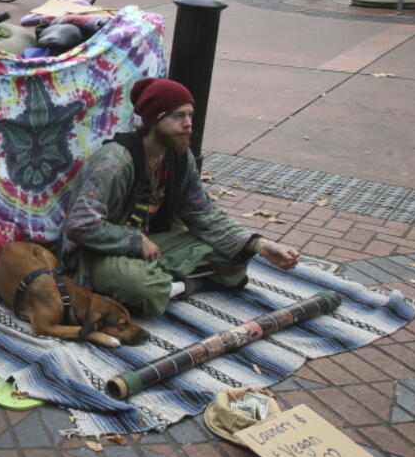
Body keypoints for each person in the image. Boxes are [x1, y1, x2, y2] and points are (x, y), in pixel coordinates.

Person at [61, 77, 300, 317]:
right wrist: (133, 240)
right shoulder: (114, 162)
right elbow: (80, 225)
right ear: (155, 120)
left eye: (190, 115)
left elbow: (204, 214)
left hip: (153, 244)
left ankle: (171, 284)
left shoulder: (180, 158)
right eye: (178, 116)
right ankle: (183, 284)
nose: (188, 124)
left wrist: (263, 246)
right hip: (99, 254)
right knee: (143, 287)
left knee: (233, 253)